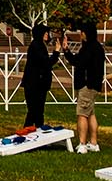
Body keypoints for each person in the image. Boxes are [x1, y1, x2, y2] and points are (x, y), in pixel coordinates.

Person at [62, 24, 105, 153]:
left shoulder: (90, 48)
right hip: (93, 85)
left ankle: (82, 143)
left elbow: (79, 62)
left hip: (87, 85)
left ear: (87, 34)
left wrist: (67, 52)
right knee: (90, 113)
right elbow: (78, 61)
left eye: (82, 33)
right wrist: (67, 51)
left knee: (81, 114)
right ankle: (93, 142)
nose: (81, 35)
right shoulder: (95, 47)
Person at [20, 22, 59, 129]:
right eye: (45, 32)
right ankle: (29, 129)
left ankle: (37, 130)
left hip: (38, 83)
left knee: (37, 110)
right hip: (34, 83)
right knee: (34, 110)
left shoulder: (39, 45)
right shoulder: (36, 46)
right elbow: (46, 63)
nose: (47, 35)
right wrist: (56, 52)